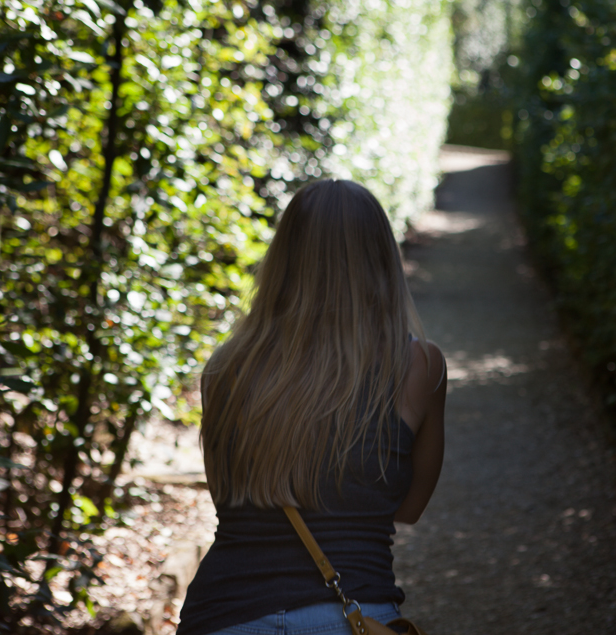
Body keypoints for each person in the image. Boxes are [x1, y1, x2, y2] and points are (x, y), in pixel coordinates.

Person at [176, 179, 447, 635]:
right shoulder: (418, 366)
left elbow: (229, 492)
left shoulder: (226, 367)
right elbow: (408, 507)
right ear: (380, 258)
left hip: (222, 613)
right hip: (351, 615)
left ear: (284, 258)